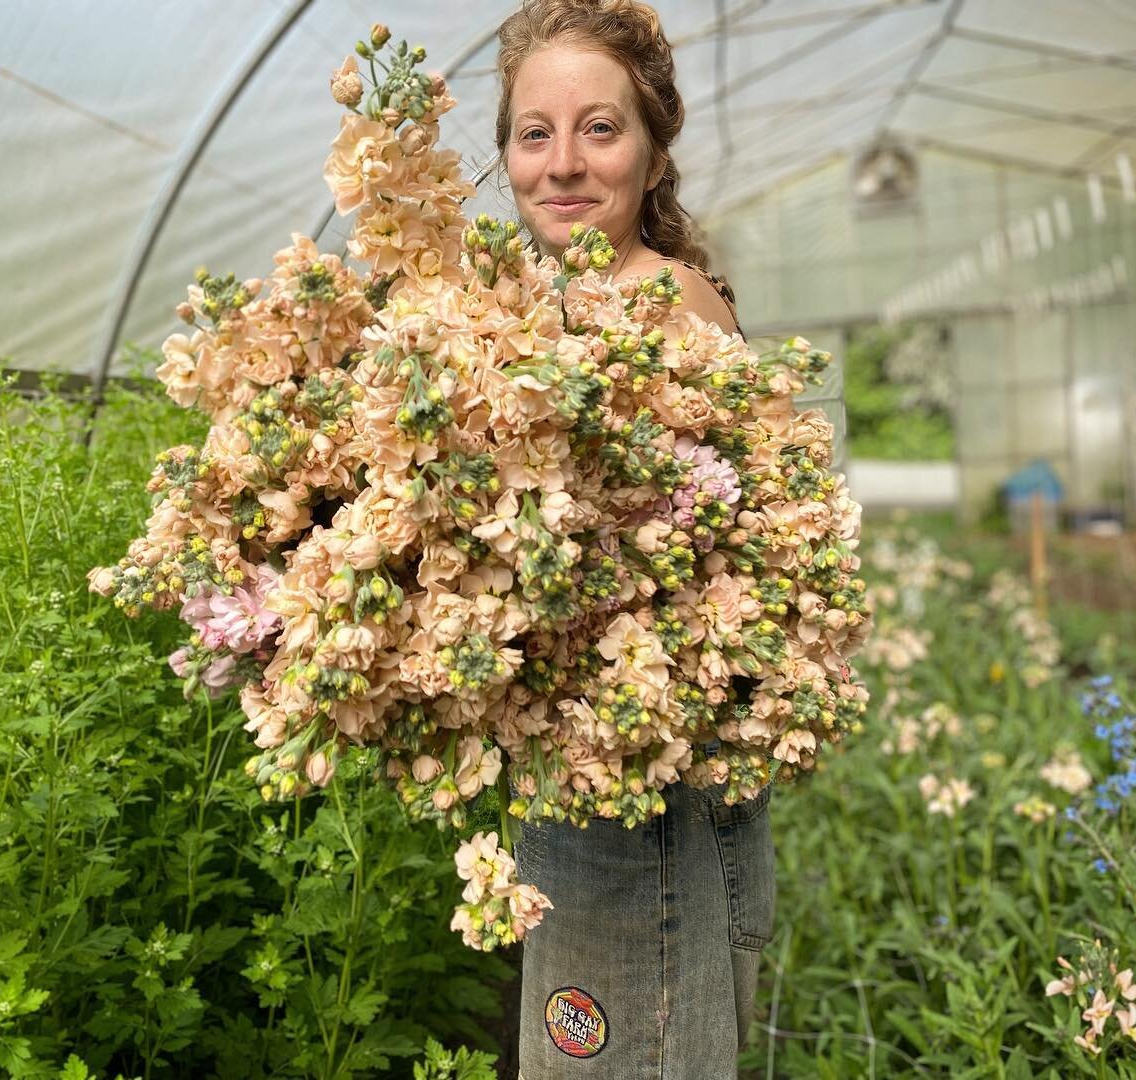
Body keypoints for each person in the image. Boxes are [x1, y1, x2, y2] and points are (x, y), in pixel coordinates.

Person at [492, 2, 777, 1077]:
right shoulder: (526, 303)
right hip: (582, 765)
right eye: (534, 132)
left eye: (599, 129)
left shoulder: (667, 305)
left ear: (654, 152)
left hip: (641, 779)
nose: (561, 165)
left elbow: (768, 553)